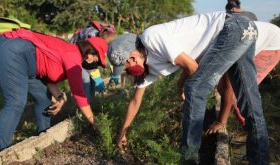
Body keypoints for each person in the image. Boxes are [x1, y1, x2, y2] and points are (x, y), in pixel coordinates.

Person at [110, 11, 270, 164]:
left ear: (132, 53)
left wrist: (182, 86)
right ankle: (260, 161)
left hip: (231, 28)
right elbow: (135, 101)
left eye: (127, 63)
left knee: (195, 88)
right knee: (250, 103)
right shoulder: (149, 67)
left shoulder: (151, 37)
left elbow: (193, 67)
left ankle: (188, 158)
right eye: (125, 68)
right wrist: (122, 133)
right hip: (244, 27)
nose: (128, 68)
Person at [0, 28, 108, 154]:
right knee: (16, 102)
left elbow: (49, 77)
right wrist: (95, 123)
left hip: (30, 66)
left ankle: (43, 137)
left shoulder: (71, 53)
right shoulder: (73, 56)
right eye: (96, 60)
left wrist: (59, 97)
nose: (96, 65)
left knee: (43, 98)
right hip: (13, 50)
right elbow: (79, 95)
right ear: (89, 54)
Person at [206, 22, 280, 134]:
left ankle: (256, 134)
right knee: (222, 87)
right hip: (244, 40)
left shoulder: (227, 45)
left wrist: (220, 122)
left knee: (244, 90)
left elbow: (229, 86)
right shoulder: (210, 44)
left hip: (271, 44)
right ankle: (244, 121)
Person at [70, 21, 116, 102]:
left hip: (87, 58)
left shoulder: (105, 38)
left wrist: (115, 72)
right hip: (76, 57)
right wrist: (98, 78)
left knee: (93, 81)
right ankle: (85, 107)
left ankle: (92, 103)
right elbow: (88, 61)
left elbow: (109, 55)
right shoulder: (90, 36)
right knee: (86, 81)